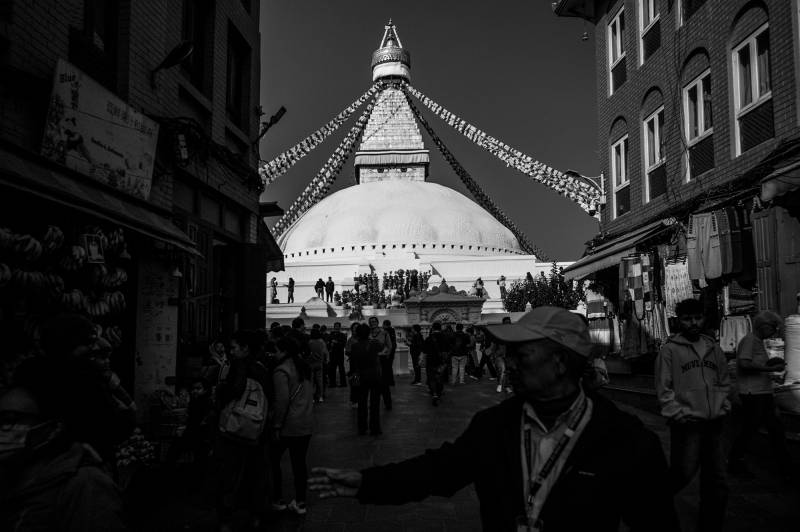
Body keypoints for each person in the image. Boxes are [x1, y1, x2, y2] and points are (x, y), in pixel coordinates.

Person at [309, 306, 678, 531]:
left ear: (561, 361)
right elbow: (439, 471)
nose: (510, 364)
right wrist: (365, 482)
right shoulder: (496, 426)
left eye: (523, 355)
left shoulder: (626, 441)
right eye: (509, 354)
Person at [0, 358, 126, 531]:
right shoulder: (12, 475)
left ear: (53, 427)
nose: (4, 429)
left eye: (12, 420)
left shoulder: (85, 485)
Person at [655, 298, 730, 532]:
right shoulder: (669, 350)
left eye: (697, 317)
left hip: (714, 422)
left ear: (704, 318)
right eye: (687, 319)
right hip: (687, 423)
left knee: (716, 481)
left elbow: (724, 380)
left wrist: (723, 405)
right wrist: (676, 413)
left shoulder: (713, 347)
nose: (693, 323)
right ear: (679, 320)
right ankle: (652, 512)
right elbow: (663, 387)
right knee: (682, 474)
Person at [213, 330, 271, 531]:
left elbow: (234, 391)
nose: (231, 351)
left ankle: (227, 518)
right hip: (257, 429)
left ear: (245, 348)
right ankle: (256, 515)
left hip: (233, 430)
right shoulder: (262, 368)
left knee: (229, 474)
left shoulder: (236, 367)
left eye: (234, 347)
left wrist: (220, 392)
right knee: (255, 474)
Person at [728, 310, 792, 477]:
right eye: (774, 328)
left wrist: (770, 376)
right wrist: (770, 368)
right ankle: (736, 461)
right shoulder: (750, 340)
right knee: (751, 429)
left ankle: (785, 467)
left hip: (762, 393)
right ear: (764, 326)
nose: (775, 332)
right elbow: (744, 363)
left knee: (773, 429)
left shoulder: (756, 341)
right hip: (753, 394)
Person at [270, 336, 314, 516]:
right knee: (299, 463)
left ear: (284, 351)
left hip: (288, 423)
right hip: (305, 420)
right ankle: (301, 501)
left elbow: (281, 401)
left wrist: (276, 425)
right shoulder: (304, 366)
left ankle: (277, 498)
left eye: (276, 350)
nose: (273, 354)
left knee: (273, 460)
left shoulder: (281, 371)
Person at [348, 323, 383, 435]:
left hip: (361, 375)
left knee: (362, 402)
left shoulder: (355, 346)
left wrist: (353, 377)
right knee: (375, 403)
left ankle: (362, 427)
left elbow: (353, 364)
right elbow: (382, 347)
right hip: (374, 375)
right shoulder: (375, 343)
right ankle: (375, 428)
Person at [368, 317, 392, 410]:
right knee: (373, 383)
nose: (372, 323)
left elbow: (389, 346)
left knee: (384, 383)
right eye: (371, 322)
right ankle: (374, 403)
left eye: (374, 321)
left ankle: (388, 403)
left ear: (378, 323)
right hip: (371, 360)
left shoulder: (384, 333)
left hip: (382, 360)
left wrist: (384, 353)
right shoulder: (368, 334)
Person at [422, 321, 447, 406]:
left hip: (430, 361)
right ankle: (439, 391)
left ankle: (434, 394)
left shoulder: (428, 338)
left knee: (431, 378)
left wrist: (422, 361)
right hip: (441, 361)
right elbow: (447, 350)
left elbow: (424, 352)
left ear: (432, 328)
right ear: (440, 328)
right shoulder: (445, 338)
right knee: (439, 377)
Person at [308, 328, 329, 403]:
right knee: (320, 381)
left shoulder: (310, 342)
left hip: (311, 363)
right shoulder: (321, 342)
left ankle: (312, 398)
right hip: (319, 363)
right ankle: (320, 397)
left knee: (311, 381)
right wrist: (326, 361)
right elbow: (325, 352)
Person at [328, 322, 348, 387]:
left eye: (337, 326)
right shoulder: (330, 335)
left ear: (340, 327)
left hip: (340, 354)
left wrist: (336, 342)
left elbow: (344, 344)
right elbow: (328, 343)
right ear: (334, 327)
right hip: (332, 355)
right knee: (332, 369)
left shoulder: (343, 335)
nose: (336, 327)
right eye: (335, 326)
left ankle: (343, 383)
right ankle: (332, 383)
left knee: (341, 369)